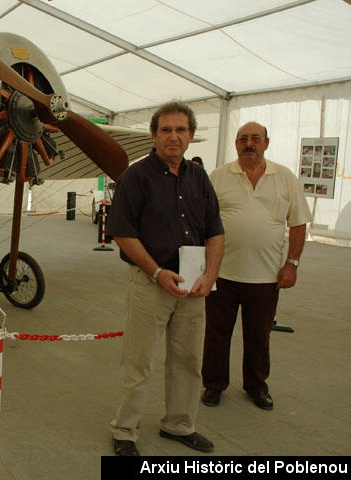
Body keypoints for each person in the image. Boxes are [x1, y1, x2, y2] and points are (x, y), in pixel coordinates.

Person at [106, 102, 224, 456]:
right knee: (139, 361)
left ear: (190, 136)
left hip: (193, 285)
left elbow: (215, 231)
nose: (174, 136)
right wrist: (156, 272)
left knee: (188, 360)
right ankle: (125, 431)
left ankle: (179, 425)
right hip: (151, 282)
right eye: (166, 130)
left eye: (181, 130)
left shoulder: (199, 177)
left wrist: (210, 274)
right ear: (154, 135)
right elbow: (122, 233)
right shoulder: (135, 177)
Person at [201, 122, 312, 410]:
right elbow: (202, 221)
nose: (249, 144)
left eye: (255, 139)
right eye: (243, 139)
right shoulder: (219, 176)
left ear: (266, 143)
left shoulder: (284, 177)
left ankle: (256, 386)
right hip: (221, 272)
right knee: (216, 333)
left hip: (266, 276)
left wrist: (292, 263)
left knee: (259, 335)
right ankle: (213, 385)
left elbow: (298, 222)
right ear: (236, 144)